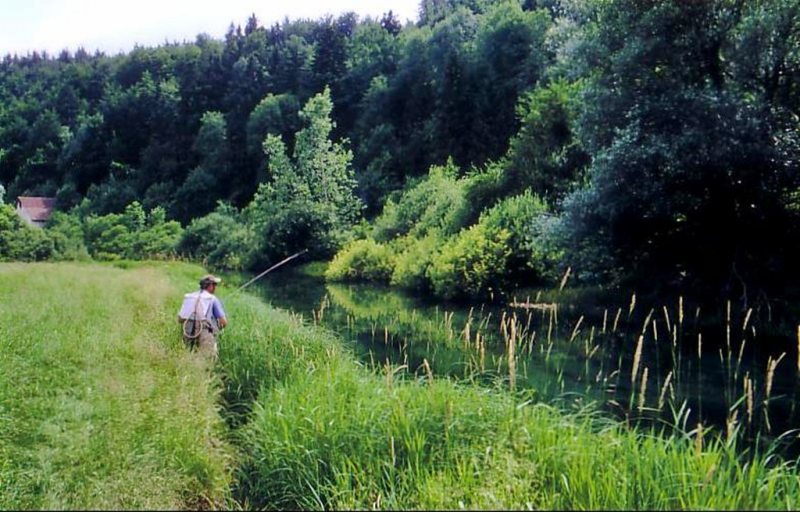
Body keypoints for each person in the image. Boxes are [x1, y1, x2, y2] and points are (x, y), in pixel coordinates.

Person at [177, 274, 228, 359]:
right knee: (207, 360)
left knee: (187, 356)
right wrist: (216, 327)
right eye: (214, 284)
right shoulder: (212, 299)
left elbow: (180, 319)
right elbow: (223, 322)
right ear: (210, 285)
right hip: (205, 336)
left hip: (187, 334)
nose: (215, 287)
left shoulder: (189, 297)